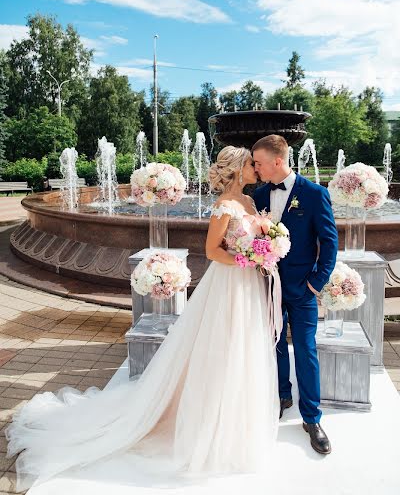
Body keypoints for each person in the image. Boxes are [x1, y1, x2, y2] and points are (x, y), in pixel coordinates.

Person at [6, 146, 281, 492]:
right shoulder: (223, 206)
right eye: (251, 164)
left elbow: (256, 240)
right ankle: (208, 425)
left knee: (244, 349)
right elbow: (213, 252)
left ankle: (239, 423)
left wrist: (266, 251)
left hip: (250, 286)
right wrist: (249, 261)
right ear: (239, 169)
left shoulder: (251, 203)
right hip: (230, 284)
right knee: (223, 348)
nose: (256, 169)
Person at [252, 135, 338, 455]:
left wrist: (316, 284)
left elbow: (329, 244)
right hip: (267, 286)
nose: (255, 168)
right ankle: (281, 396)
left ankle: (312, 418)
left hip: (302, 289)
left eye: (259, 162)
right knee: (273, 345)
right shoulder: (259, 194)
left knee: (305, 348)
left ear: (277, 161)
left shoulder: (315, 194)